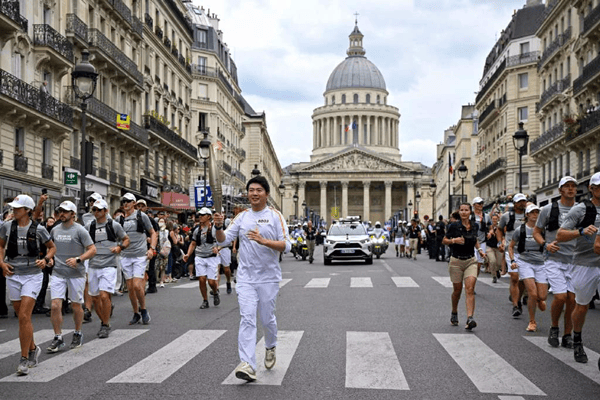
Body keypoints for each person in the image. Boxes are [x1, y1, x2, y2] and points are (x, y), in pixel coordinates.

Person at [214, 176, 291, 382]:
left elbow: (287, 245)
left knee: (267, 319)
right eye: (251, 190)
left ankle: (270, 346)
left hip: (268, 278)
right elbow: (223, 241)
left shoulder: (275, 216)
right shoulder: (241, 218)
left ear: (266, 193)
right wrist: (219, 227)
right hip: (246, 277)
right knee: (247, 318)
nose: (254, 193)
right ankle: (247, 364)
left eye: (258, 190)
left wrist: (264, 241)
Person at [0, 195, 56, 375]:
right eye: (13, 207)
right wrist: (1, 263)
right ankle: (32, 348)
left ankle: (24, 359)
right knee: (20, 315)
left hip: (32, 275)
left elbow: (52, 247)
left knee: (24, 315)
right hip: (13, 273)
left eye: (17, 208)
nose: (13, 210)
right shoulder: (7, 226)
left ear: (27, 211)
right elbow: (1, 246)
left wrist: (46, 259)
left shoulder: (39, 229)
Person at [556, 171, 600, 365]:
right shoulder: (581, 209)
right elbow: (560, 234)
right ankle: (578, 338)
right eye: (599, 187)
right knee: (581, 306)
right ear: (591, 188)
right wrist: (581, 231)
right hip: (584, 263)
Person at [533, 176, 578, 348]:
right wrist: (545, 244)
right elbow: (537, 232)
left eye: (573, 186)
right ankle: (554, 327)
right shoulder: (548, 209)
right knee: (560, 296)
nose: (571, 189)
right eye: (566, 186)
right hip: (554, 260)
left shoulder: (582, 210)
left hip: (575, 261)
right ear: (560, 190)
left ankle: (568, 335)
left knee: (572, 300)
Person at [47, 201, 96, 352]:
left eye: (65, 211)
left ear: (73, 214)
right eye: (60, 211)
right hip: (58, 272)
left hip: (76, 274)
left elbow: (92, 249)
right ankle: (58, 337)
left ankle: (77, 332)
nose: (62, 213)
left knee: (76, 305)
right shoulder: (55, 230)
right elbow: (50, 247)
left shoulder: (80, 230)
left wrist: (78, 259)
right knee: (55, 305)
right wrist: (50, 258)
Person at [85, 199, 129, 338]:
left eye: (99, 210)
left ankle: (105, 324)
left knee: (104, 295)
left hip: (109, 265)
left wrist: (119, 247)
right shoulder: (89, 226)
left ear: (106, 211)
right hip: (93, 265)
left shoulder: (114, 225)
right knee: (95, 298)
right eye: (94, 210)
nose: (96, 212)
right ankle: (104, 322)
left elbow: (126, 239)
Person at [442, 203, 485, 330]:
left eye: (466, 210)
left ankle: (470, 318)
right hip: (456, 261)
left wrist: (480, 249)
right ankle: (454, 312)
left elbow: (475, 239)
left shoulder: (474, 226)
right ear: (459, 212)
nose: (464, 212)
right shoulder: (453, 226)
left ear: (470, 212)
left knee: (470, 289)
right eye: (462, 210)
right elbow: (444, 240)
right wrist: (454, 241)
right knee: (457, 290)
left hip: (471, 260)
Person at [118, 193, 157, 325]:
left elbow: (153, 233)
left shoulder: (141, 216)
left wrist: (151, 248)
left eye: (128, 201)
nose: (125, 203)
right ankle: (136, 313)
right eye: (123, 201)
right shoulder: (119, 220)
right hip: (125, 256)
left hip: (140, 255)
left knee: (137, 286)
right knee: (130, 287)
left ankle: (144, 309)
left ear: (133, 203)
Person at [508, 204, 547, 332]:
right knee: (532, 293)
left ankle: (540, 299)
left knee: (542, 296)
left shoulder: (544, 229)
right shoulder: (521, 230)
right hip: (525, 262)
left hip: (541, 263)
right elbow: (511, 246)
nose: (535, 215)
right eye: (533, 212)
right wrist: (513, 260)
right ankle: (532, 321)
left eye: (537, 212)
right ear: (527, 215)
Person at [183, 207, 220, 309]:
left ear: (209, 217)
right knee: (202, 279)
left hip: (211, 257)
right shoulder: (196, 230)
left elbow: (222, 241)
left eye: (203, 215)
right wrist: (187, 254)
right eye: (199, 215)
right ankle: (205, 300)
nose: (200, 217)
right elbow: (193, 243)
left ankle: (215, 292)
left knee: (211, 282)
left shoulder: (214, 228)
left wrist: (218, 248)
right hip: (199, 257)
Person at [498, 193, 528, 317]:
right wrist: (501, 242)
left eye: (524, 201)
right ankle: (516, 306)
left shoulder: (530, 215)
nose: (522, 203)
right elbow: (499, 229)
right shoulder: (507, 216)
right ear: (515, 204)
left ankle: (517, 297)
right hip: (511, 251)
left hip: (526, 251)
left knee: (522, 280)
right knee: (514, 277)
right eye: (520, 201)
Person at [136, 200, 159, 293]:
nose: (140, 208)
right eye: (138, 206)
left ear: (146, 208)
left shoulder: (150, 220)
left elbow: (155, 233)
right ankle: (141, 286)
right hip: (138, 247)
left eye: (142, 206)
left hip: (149, 247)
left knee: (150, 267)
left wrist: (152, 242)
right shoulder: (134, 218)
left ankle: (152, 285)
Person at [471, 197, 491, 277]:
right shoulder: (470, 216)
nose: (481, 205)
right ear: (474, 205)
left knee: (479, 265)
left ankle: (473, 281)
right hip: (472, 242)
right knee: (473, 263)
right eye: (479, 203)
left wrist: (490, 232)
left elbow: (491, 226)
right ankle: (469, 282)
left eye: (482, 203)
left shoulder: (486, 216)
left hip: (482, 242)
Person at [485, 214, 503, 283]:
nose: (494, 220)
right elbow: (485, 236)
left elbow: (503, 236)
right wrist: (489, 234)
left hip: (498, 247)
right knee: (492, 261)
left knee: (499, 263)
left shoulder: (500, 227)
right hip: (490, 246)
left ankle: (497, 270)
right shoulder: (488, 227)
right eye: (493, 219)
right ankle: (494, 276)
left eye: (496, 219)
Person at [156, 217, 170, 288]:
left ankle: (162, 280)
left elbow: (167, 240)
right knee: (156, 266)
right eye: (160, 221)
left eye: (162, 221)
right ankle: (156, 279)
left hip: (164, 250)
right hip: (157, 249)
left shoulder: (167, 231)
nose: (161, 222)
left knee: (163, 266)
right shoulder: (156, 230)